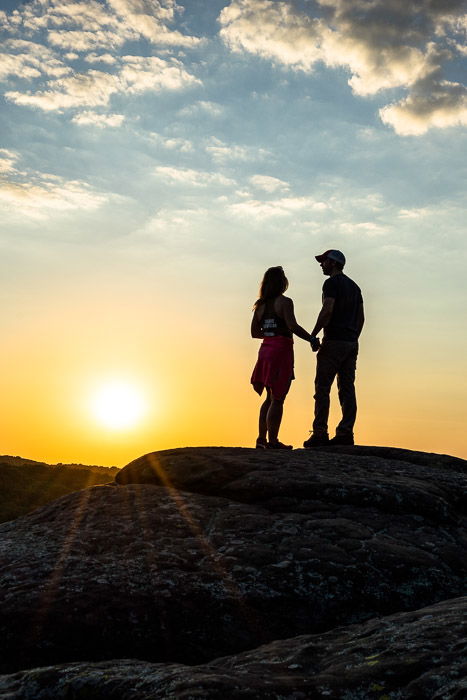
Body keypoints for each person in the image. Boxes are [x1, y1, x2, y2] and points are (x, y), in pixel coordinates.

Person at [304, 250, 364, 447]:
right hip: (351, 342)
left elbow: (327, 309)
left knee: (322, 387)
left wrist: (314, 334)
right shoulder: (355, 287)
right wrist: (353, 337)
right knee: (347, 389)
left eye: (324, 262)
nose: (321, 265)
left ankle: (320, 433)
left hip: (334, 341)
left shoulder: (331, 284)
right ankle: (346, 433)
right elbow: (361, 318)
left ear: (333, 263)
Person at [251, 266, 311, 449]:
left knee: (269, 398)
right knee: (278, 398)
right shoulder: (284, 302)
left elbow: (254, 333)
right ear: (282, 282)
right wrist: (311, 339)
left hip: (265, 350)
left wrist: (270, 334)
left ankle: (261, 439)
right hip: (281, 351)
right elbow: (292, 326)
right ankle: (273, 441)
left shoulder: (259, 305)